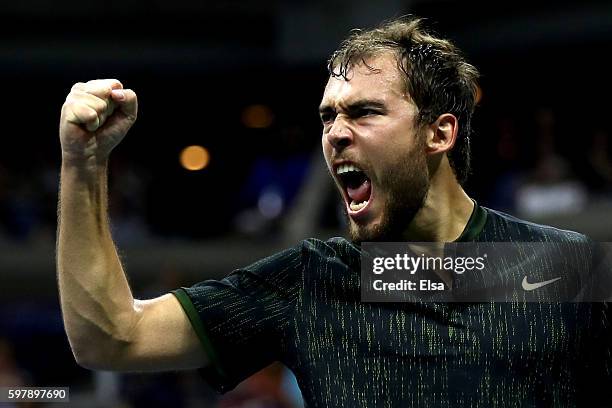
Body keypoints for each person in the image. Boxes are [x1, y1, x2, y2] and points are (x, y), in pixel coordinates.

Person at [57, 17, 611, 407]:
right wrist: (82, 164)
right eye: (328, 117)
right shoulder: (306, 281)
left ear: (439, 132)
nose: (336, 134)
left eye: (364, 112)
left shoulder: (568, 268)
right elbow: (110, 338)